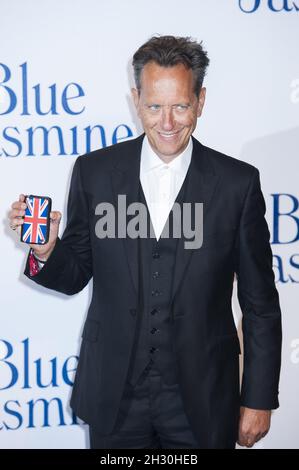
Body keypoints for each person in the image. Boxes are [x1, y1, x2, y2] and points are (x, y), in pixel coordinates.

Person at [8, 35, 282, 449]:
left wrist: (259, 399)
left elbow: (260, 304)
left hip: (203, 398)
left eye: (180, 106)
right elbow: (75, 273)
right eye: (154, 106)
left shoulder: (237, 184)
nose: (167, 122)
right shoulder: (95, 172)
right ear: (136, 100)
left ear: (201, 101)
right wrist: (46, 250)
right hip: (115, 396)